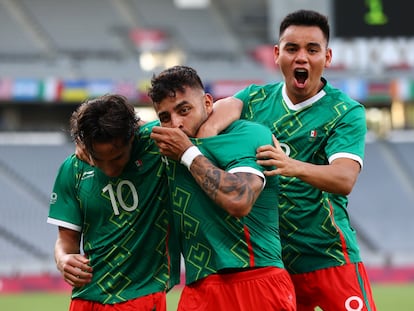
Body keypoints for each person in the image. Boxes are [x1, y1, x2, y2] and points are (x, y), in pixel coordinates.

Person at [206, 9, 377, 311]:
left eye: (312, 49)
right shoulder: (254, 99)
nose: (301, 57)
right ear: (276, 53)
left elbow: (344, 179)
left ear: (327, 57)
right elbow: (212, 123)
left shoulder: (345, 112)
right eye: (292, 48)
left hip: (329, 256)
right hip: (274, 264)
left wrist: (289, 166)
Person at [147, 65, 296, 311]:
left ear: (208, 103)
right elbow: (112, 130)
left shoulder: (248, 134)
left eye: (184, 110)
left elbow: (239, 200)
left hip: (257, 279)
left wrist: (188, 153)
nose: (176, 124)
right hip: (200, 287)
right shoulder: (162, 143)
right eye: (165, 117)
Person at [47, 94, 179, 311]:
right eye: (98, 159)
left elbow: (194, 116)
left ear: (132, 137)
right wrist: (63, 259)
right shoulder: (72, 169)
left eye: (118, 157)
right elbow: (65, 241)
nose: (109, 169)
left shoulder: (155, 146)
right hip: (86, 297)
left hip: (141, 294)